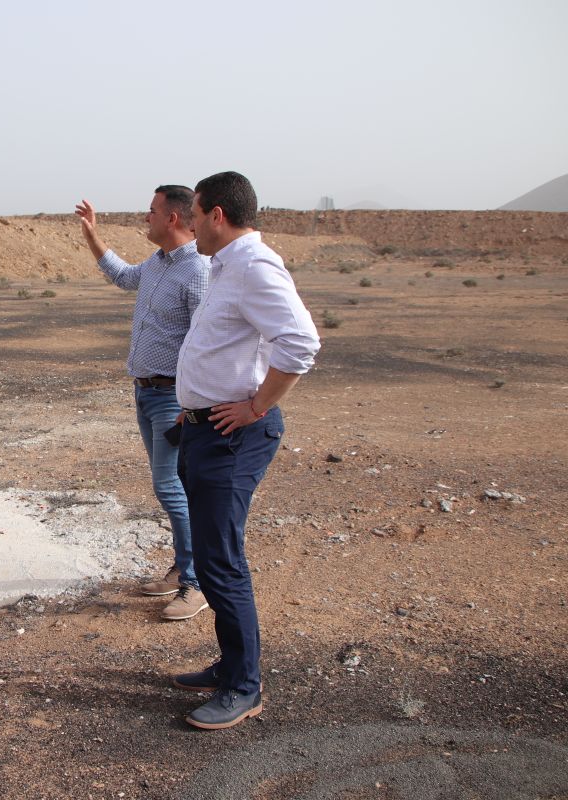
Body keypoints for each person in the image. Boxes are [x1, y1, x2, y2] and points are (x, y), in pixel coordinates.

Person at [170, 171, 320, 729]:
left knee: (221, 560)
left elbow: (300, 343)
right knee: (213, 556)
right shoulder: (224, 266)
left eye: (194, 213)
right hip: (204, 429)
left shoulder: (254, 266)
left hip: (233, 435)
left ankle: (244, 687)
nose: (188, 225)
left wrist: (256, 406)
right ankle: (231, 665)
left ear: (216, 214)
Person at [74, 187, 210, 621]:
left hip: (173, 397)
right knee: (174, 487)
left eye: (152, 211)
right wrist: (92, 236)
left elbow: (206, 341)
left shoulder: (198, 270)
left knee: (171, 487)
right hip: (147, 393)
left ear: (172, 218)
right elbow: (122, 276)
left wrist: (193, 401)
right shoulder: (157, 263)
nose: (145, 217)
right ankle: (183, 568)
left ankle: (197, 582)